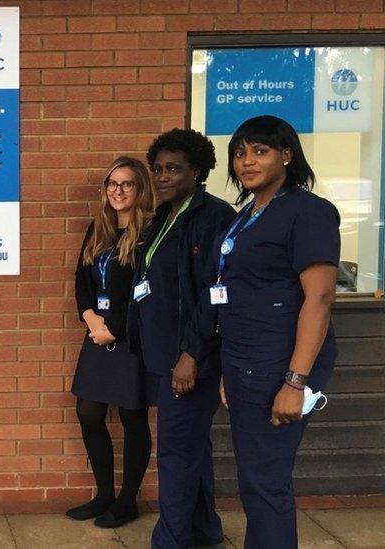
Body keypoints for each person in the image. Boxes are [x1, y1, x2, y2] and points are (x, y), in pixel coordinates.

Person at [216, 115, 339, 548]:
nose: (246, 161)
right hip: (245, 361)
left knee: (265, 480)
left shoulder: (308, 212)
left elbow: (320, 299)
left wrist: (295, 381)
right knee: (254, 475)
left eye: (260, 151)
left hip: (279, 365)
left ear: (287, 155)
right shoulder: (247, 213)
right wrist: (229, 369)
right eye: (239, 152)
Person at [133, 129, 236, 548]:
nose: (162, 176)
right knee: (192, 447)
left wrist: (191, 354)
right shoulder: (165, 216)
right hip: (163, 355)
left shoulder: (212, 217)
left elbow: (215, 293)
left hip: (189, 358)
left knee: (176, 452)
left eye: (173, 169)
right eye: (157, 168)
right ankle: (205, 531)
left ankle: (170, 541)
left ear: (198, 170)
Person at [66, 157, 154, 528]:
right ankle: (103, 494)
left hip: (130, 337)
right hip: (96, 331)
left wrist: (114, 328)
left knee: (133, 417)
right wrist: (89, 317)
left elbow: (148, 292)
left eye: (127, 184)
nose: (117, 191)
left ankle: (126, 501)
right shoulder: (98, 228)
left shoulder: (149, 232)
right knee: (89, 412)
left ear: (140, 189)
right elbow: (82, 279)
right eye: (111, 184)